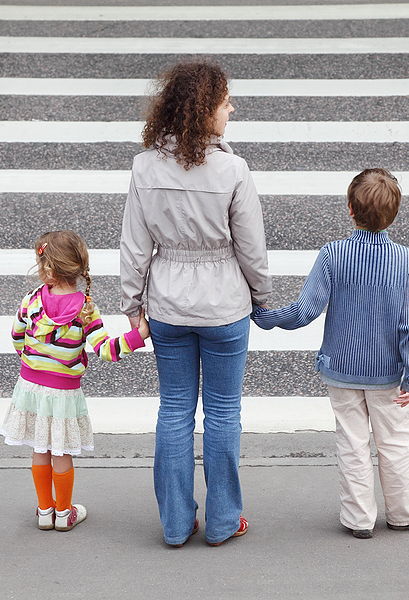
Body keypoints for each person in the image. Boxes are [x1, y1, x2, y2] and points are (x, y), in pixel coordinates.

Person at [119, 59, 272, 547]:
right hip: (225, 305)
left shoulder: (144, 167)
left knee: (174, 410)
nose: (232, 109)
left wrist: (132, 307)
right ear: (206, 111)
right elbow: (252, 248)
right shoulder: (232, 169)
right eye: (226, 102)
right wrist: (261, 298)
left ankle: (175, 523)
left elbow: (134, 246)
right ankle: (224, 520)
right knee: (224, 412)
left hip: (166, 305)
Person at [252, 168, 409, 539]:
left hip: (341, 370)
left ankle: (359, 519)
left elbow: (305, 311)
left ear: (349, 208)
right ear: (393, 214)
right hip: (388, 373)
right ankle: (406, 513)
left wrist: (264, 317)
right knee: (395, 442)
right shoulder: (405, 260)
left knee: (352, 443)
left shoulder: (333, 255)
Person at [2, 230, 149, 532]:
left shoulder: (30, 300)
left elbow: (17, 338)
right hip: (63, 393)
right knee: (61, 452)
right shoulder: (85, 308)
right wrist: (140, 335)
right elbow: (105, 350)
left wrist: (32, 363)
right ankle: (64, 513)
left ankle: (44, 511)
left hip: (30, 386)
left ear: (47, 270)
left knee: (39, 449)